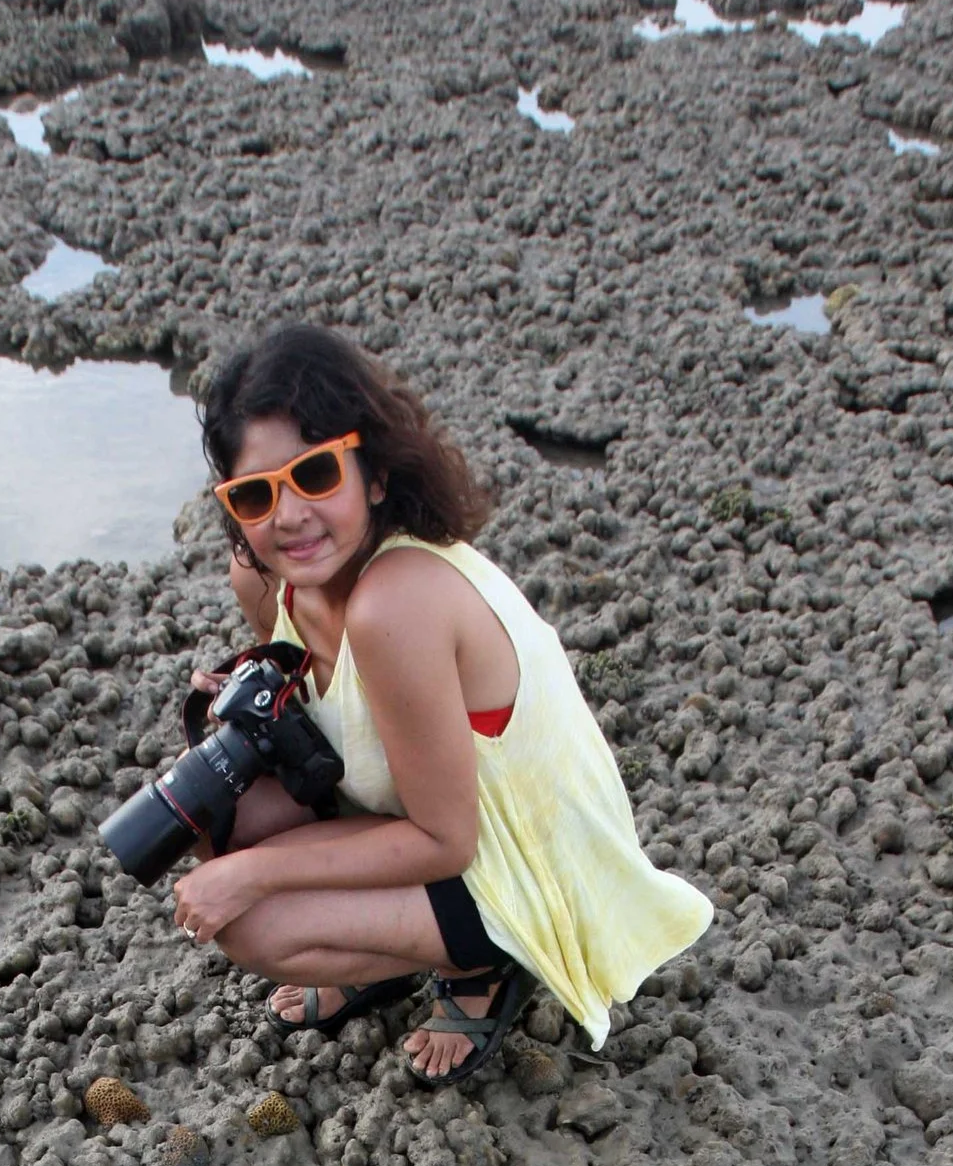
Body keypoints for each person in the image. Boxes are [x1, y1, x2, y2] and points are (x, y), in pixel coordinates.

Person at [168, 322, 713, 1088]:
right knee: (210, 809)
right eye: (256, 494)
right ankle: (385, 954)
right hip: (423, 813)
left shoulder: (397, 601)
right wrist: (248, 697)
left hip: (518, 857)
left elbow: (446, 840)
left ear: (375, 475)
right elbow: (334, 722)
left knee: (254, 918)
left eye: (316, 475)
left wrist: (257, 874)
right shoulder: (262, 580)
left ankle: (483, 965)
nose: (288, 515)